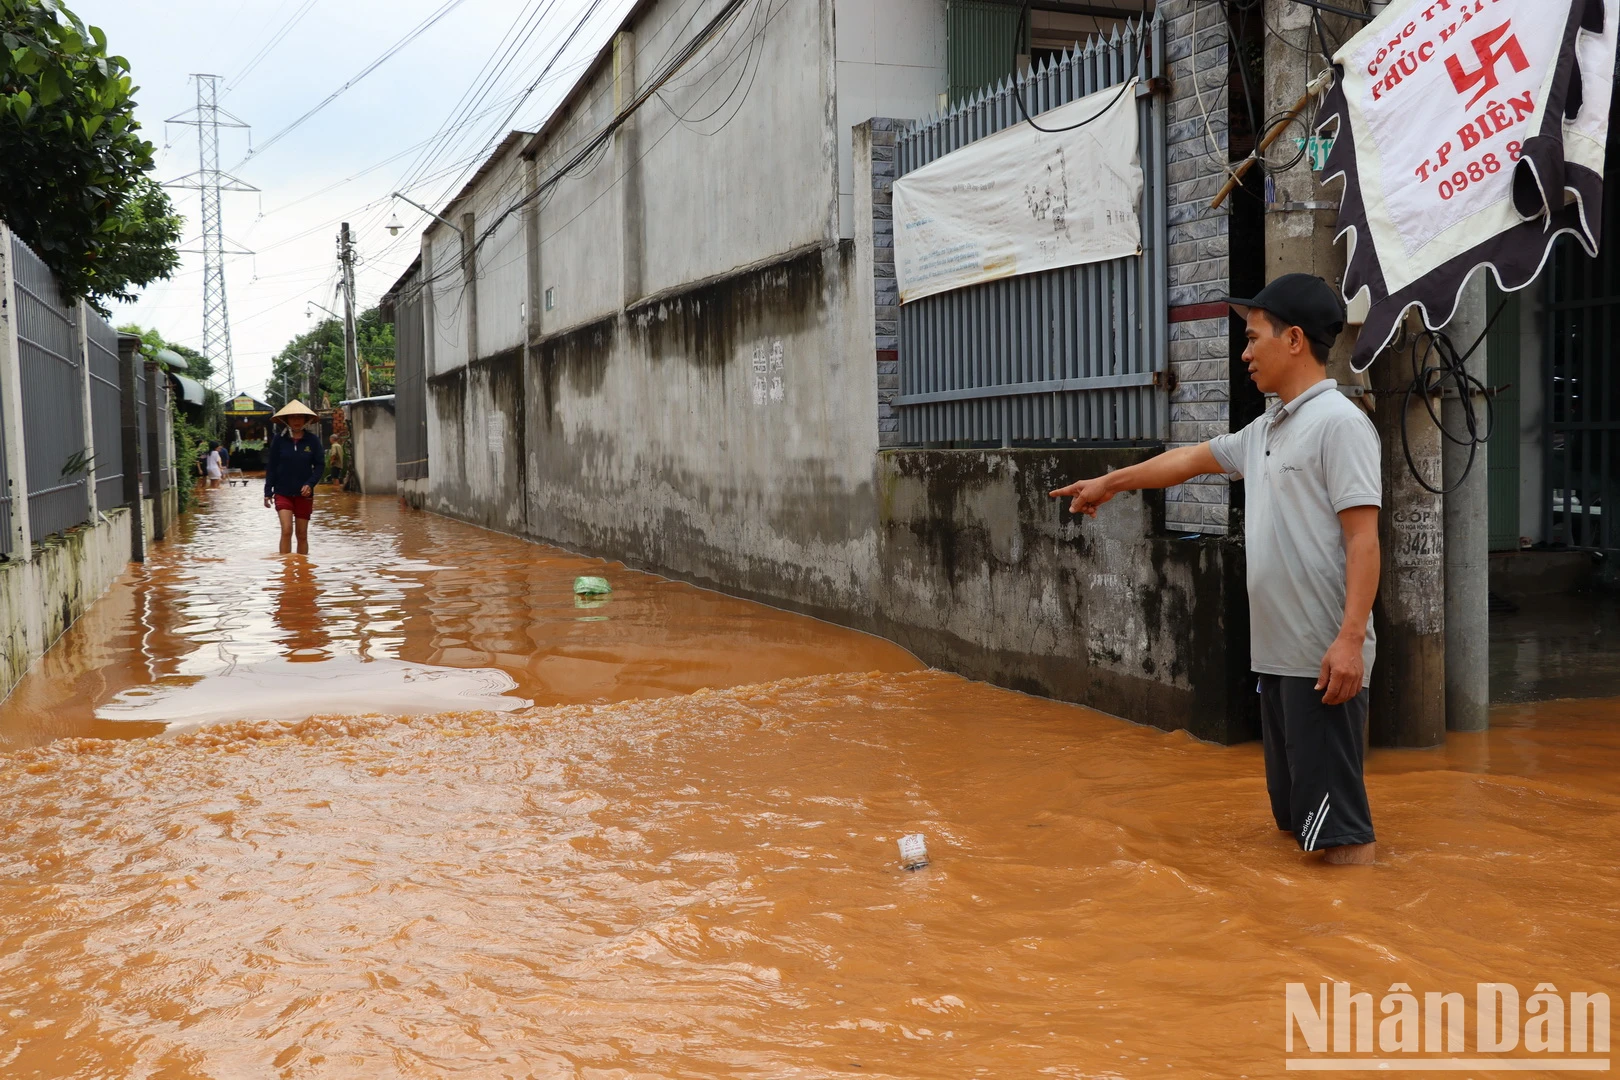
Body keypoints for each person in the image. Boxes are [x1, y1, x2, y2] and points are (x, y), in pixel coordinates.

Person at [1049, 273, 1382, 866]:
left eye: (1254, 338)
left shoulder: (1340, 424)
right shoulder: (1268, 430)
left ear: (1295, 340)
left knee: (1340, 842)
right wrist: (1110, 483)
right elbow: (1187, 461)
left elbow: (1363, 540)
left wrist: (1350, 641)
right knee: (1296, 827)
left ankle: (1345, 945)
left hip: (1322, 660)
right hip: (1279, 661)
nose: (1246, 353)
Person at [263, 400, 326, 555]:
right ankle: (287, 570)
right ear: (287, 420)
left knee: (302, 534)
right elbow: (271, 466)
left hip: (304, 494)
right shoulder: (279, 440)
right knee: (286, 530)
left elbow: (319, 465)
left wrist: (310, 484)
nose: (296, 421)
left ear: (305, 420)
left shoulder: (313, 441)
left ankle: (303, 570)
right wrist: (267, 491)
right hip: (282, 491)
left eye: (300, 418)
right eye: (293, 418)